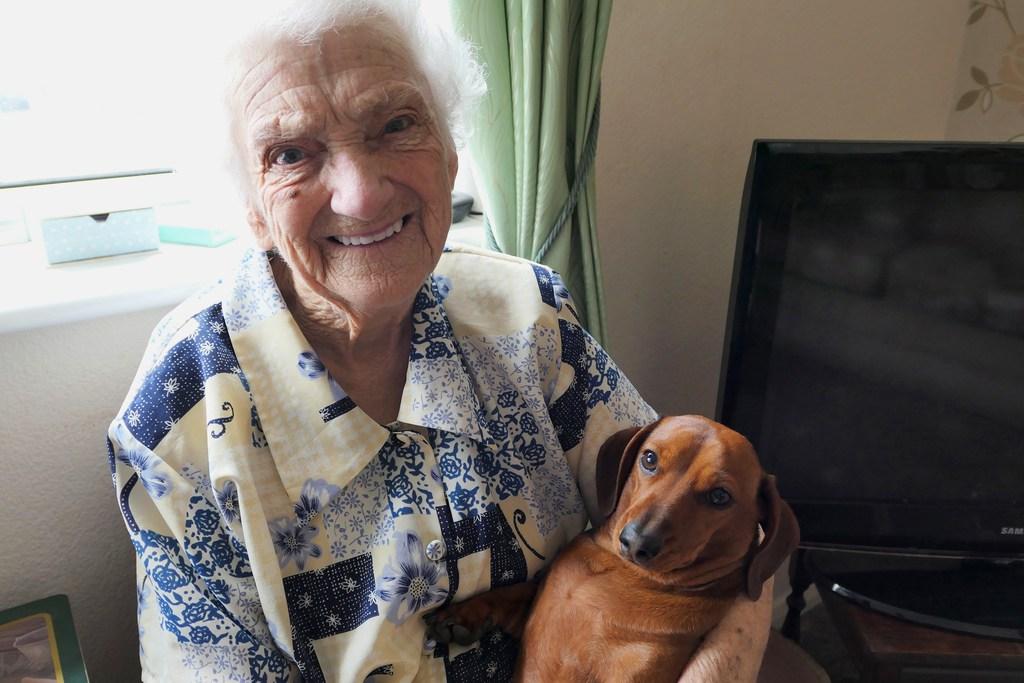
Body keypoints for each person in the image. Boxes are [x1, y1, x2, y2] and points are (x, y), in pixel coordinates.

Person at [106, 1, 772, 680]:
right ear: (250, 207)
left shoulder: (529, 315)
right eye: (290, 154)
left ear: (451, 155)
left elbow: (729, 525)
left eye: (396, 124)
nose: (362, 196)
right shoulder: (180, 422)